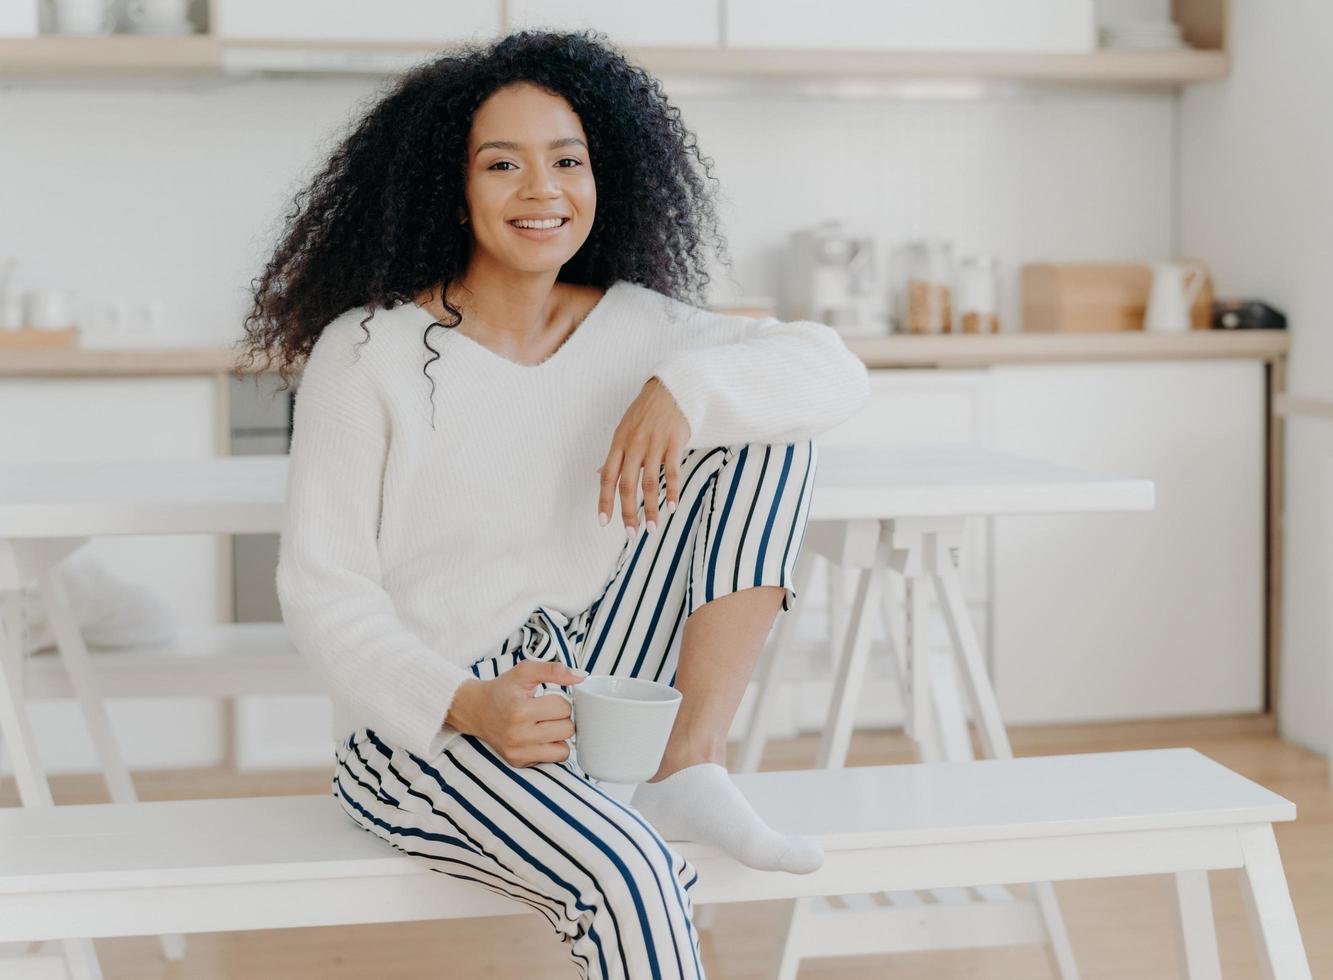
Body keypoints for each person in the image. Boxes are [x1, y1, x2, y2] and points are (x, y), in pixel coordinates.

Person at [238, 28, 870, 980]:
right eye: (503, 164)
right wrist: (465, 702)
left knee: (768, 417)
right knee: (630, 875)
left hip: (591, 692)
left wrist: (686, 391)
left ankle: (686, 761)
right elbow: (323, 594)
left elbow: (830, 369)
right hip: (427, 726)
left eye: (566, 161)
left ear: (603, 174)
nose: (542, 191)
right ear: (452, 188)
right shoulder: (367, 353)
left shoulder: (643, 325)